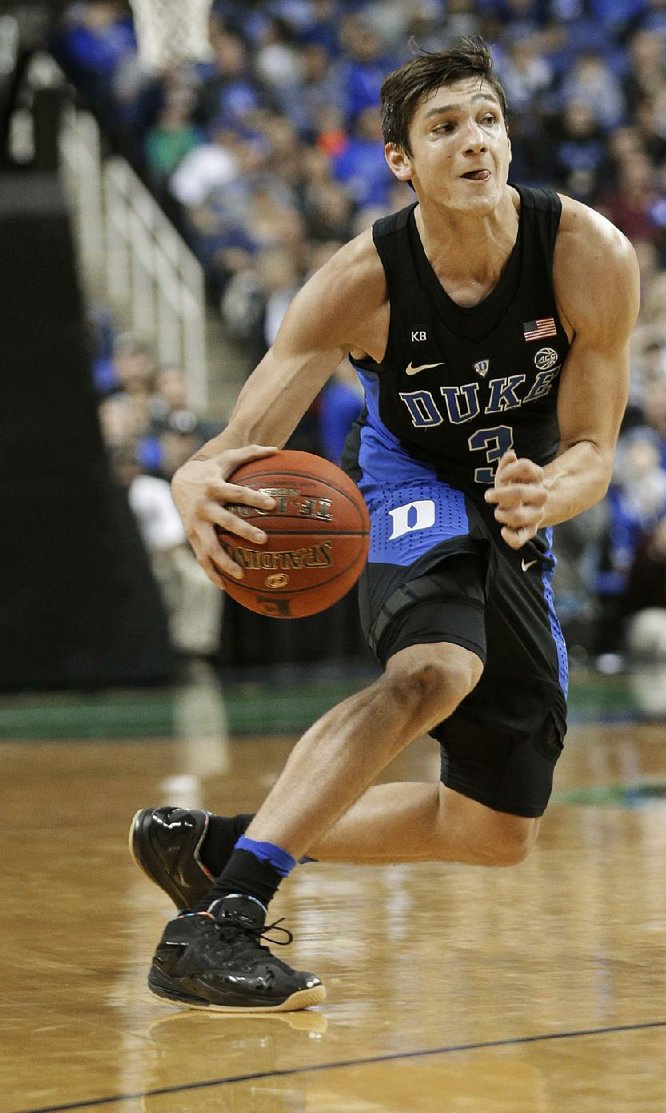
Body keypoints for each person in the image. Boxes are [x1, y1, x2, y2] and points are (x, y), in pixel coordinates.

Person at [129, 38, 639, 1014]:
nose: (474, 141)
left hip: (513, 499)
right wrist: (196, 479)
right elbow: (237, 441)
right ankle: (219, 924)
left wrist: (553, 496)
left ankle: (216, 846)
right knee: (434, 673)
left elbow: (591, 448)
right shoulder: (359, 281)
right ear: (401, 162)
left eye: (485, 119)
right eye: (443, 127)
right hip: (412, 484)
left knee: (493, 831)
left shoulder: (584, 254)